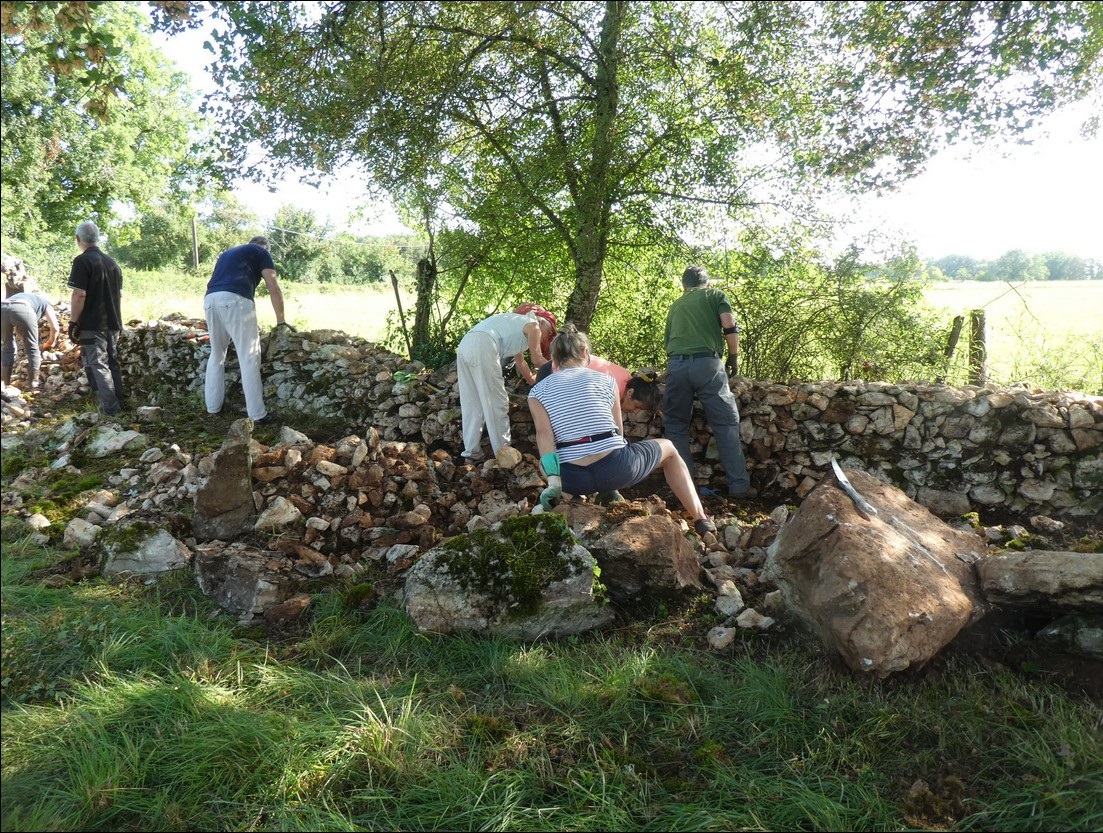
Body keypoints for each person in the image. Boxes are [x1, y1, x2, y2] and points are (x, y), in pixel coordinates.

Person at [528, 324, 716, 536]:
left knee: (548, 464)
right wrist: (609, 480)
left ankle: (573, 499)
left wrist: (554, 481)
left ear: (554, 357)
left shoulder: (537, 392)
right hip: (616, 470)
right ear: (584, 352)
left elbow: (544, 437)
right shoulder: (606, 381)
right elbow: (618, 434)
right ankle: (701, 520)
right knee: (670, 449)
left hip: (572, 478)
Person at [662, 264, 751, 497]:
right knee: (725, 423)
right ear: (707, 283)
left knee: (675, 425)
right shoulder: (716, 295)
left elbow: (669, 343)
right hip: (708, 365)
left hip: (677, 366)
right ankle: (739, 487)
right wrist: (733, 357)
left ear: (684, 285)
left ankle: (685, 486)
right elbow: (729, 324)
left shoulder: (675, 305)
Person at [203, 236, 288, 424]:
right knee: (249, 355)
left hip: (210, 299)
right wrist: (281, 321)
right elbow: (273, 287)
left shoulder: (227, 253)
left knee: (217, 353)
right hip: (235, 299)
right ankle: (257, 414)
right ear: (266, 248)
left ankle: (213, 407)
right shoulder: (262, 252)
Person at [456, 305, 556, 461]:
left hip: (466, 343)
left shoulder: (518, 324)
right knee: (497, 402)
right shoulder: (534, 326)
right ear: (543, 323)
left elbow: (521, 363)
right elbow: (537, 360)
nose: (545, 338)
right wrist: (560, 373)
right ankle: (504, 455)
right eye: (548, 333)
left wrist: (533, 382)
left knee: (472, 402)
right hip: (484, 343)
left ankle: (471, 454)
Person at [68, 221, 126, 414]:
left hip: (93, 323)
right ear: (97, 238)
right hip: (113, 321)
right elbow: (120, 294)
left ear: (78, 239)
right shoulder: (112, 263)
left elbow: (79, 295)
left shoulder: (82, 261)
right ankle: (119, 402)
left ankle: (110, 409)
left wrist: (73, 322)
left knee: (98, 364)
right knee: (112, 362)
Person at [1, 257, 61, 392]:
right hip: (23, 309)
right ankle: (33, 385)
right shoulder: (45, 302)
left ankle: (4, 384)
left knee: (7, 347)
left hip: (3, 307)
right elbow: (55, 327)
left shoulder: (27, 297)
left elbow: (18, 326)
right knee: (32, 349)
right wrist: (50, 342)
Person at [535, 355, 661, 414]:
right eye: (637, 406)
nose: (635, 412)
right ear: (630, 393)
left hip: (559, 369)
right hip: (551, 375)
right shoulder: (611, 389)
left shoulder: (625, 378)